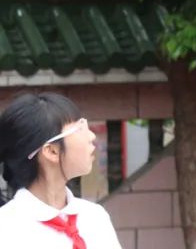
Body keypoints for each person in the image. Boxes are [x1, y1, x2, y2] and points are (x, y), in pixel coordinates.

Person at [0, 92, 123, 248]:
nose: (91, 136)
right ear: (52, 151)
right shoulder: (6, 229)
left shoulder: (95, 217)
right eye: (79, 128)